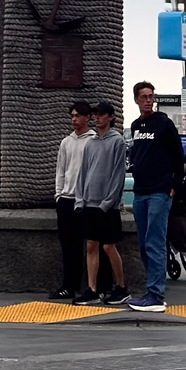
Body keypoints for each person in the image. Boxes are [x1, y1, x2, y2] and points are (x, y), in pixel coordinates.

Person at [123, 79, 186, 315]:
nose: (148, 100)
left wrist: (174, 185)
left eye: (151, 96)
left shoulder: (164, 124)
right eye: (144, 97)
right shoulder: (136, 126)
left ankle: (156, 293)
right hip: (141, 191)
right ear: (136, 99)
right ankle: (150, 289)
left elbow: (178, 156)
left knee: (155, 241)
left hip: (160, 191)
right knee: (142, 243)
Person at [78, 98, 128, 304]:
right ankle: (92, 288)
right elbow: (83, 173)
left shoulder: (117, 141)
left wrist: (108, 202)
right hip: (89, 202)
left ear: (111, 117)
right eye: (95, 114)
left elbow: (119, 175)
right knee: (91, 245)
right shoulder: (90, 144)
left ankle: (122, 287)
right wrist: (80, 199)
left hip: (107, 205)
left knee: (108, 246)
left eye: (101, 114)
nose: (97, 117)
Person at [52, 98, 93, 301]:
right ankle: (69, 285)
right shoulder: (66, 142)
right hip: (66, 199)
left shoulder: (93, 141)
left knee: (91, 245)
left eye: (78, 116)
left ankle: (93, 286)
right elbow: (61, 170)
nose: (74, 119)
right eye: (72, 116)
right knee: (68, 246)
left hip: (86, 200)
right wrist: (59, 195)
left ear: (88, 117)